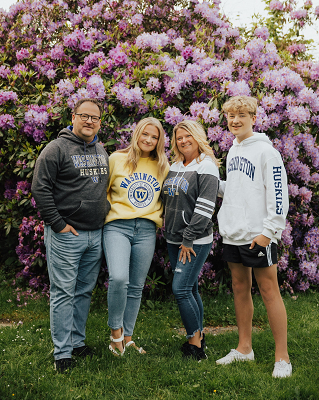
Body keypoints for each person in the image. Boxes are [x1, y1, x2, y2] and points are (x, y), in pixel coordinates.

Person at [31, 98, 110, 373]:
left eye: (95, 118)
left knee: (84, 291)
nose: (89, 121)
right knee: (63, 292)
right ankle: (62, 353)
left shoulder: (100, 148)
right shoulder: (56, 149)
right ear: (73, 116)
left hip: (95, 234)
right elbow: (40, 188)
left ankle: (77, 342)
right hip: (67, 235)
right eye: (84, 116)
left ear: (100, 122)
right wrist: (59, 224)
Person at [216, 95, 291, 378]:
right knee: (239, 287)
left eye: (241, 116)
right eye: (230, 116)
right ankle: (244, 349)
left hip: (258, 235)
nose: (235, 121)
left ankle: (282, 357)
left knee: (269, 291)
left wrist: (268, 232)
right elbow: (236, 190)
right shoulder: (233, 151)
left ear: (253, 118)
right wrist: (211, 182)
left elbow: (278, 193)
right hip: (234, 233)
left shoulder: (266, 152)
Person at [103, 117, 169, 356]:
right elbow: (104, 192)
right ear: (137, 134)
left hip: (146, 229)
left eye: (155, 137)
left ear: (160, 141)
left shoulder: (162, 166)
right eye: (146, 134)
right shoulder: (116, 159)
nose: (149, 140)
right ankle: (115, 335)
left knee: (136, 286)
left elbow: (166, 198)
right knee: (119, 278)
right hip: (117, 226)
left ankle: (128, 338)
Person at [162, 120, 220, 361]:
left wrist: (188, 238)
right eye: (179, 137)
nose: (183, 141)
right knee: (191, 287)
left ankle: (195, 345)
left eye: (188, 136)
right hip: (173, 238)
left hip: (194, 240)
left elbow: (205, 208)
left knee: (181, 288)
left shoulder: (206, 166)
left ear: (198, 137)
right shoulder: (175, 165)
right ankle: (199, 334)